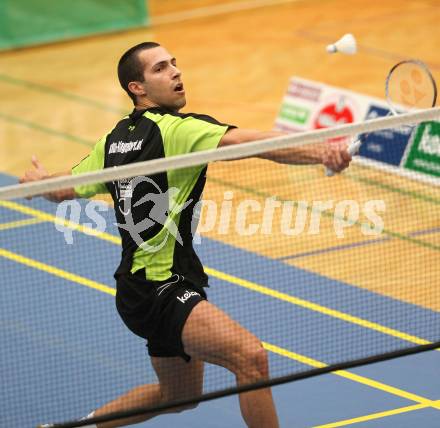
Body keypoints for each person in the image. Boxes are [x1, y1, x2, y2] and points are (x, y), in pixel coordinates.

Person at [21, 42, 351, 428]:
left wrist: (41, 182)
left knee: (177, 397)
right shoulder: (175, 129)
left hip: (140, 288)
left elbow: (66, 187)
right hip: (161, 287)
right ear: (137, 88)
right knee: (251, 358)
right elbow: (254, 143)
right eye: (161, 68)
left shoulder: (115, 140)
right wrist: (321, 153)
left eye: (174, 64)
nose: (176, 72)